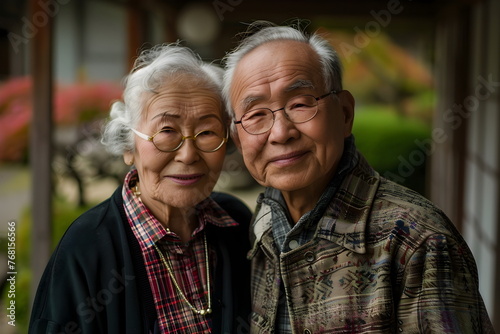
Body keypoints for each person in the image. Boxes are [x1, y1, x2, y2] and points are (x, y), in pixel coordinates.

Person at [222, 21, 494, 333]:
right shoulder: (263, 224)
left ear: (345, 113)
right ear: (237, 137)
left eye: (300, 104)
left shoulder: (418, 241)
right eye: (256, 114)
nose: (281, 133)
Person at [29, 44, 251, 333]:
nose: (188, 155)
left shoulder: (236, 223)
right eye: (167, 131)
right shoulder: (84, 250)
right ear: (128, 146)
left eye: (207, 132)